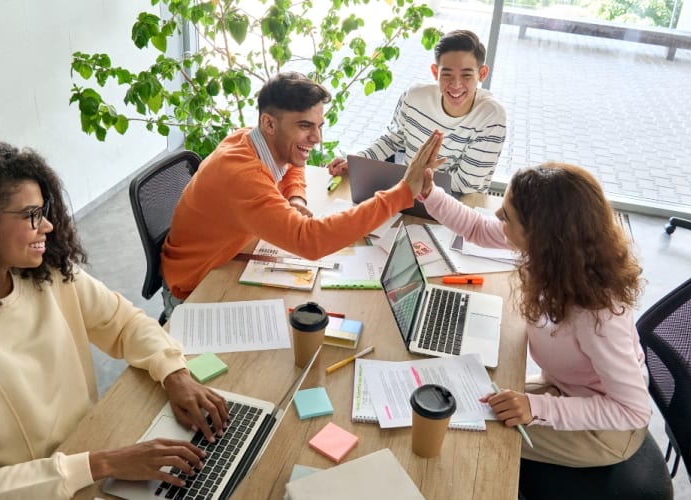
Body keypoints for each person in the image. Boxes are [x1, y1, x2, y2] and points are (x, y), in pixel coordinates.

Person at [0, 139, 231, 498]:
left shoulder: (50, 275)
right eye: (32, 215)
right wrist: (103, 464)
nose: (49, 226)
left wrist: (174, 373)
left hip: (92, 451)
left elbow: (125, 323)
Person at [419, 160, 650, 467]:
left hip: (606, 430)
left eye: (507, 215)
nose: (498, 216)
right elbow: (477, 227)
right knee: (461, 402)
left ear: (540, 235)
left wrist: (536, 407)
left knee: (465, 431)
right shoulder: (556, 255)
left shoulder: (598, 316)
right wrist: (429, 193)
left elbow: (632, 410)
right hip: (564, 390)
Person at [161, 71, 444, 316]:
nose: (317, 138)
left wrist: (295, 198)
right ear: (269, 124)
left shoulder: (252, 139)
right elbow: (310, 241)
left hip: (229, 259)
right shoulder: (241, 175)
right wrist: (402, 192)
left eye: (319, 125)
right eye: (305, 126)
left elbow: (292, 164)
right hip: (194, 289)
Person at [326, 29, 507, 195]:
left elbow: (467, 185)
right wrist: (358, 161)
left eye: (467, 75)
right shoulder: (414, 97)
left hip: (457, 205)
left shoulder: (491, 116)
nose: (456, 84)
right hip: (409, 196)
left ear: (482, 74)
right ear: (435, 72)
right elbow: (392, 139)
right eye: (447, 74)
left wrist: (412, 178)